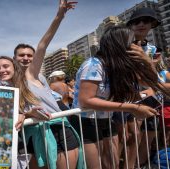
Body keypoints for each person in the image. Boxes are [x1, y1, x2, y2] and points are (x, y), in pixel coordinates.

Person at [70, 25, 170, 169]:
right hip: (86, 123)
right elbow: (86, 100)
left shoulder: (118, 66)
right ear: (119, 43)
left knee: (113, 165)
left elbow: (152, 82)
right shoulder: (94, 64)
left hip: (106, 121)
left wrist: (147, 61)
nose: (136, 45)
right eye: (133, 42)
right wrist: (132, 108)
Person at [4, 1, 80, 168]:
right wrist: (27, 115)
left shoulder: (33, 75)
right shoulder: (8, 85)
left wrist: (60, 15)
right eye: (21, 55)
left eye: (29, 55)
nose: (26, 58)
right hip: (34, 134)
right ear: (14, 58)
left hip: (59, 129)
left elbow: (43, 44)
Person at [126, 7, 164, 168]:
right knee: (132, 137)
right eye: (136, 21)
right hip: (130, 97)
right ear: (131, 25)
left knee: (149, 136)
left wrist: (153, 87)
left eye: (146, 21)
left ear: (152, 25)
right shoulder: (124, 47)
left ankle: (140, 165)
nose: (141, 24)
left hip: (152, 97)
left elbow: (158, 75)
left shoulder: (154, 50)